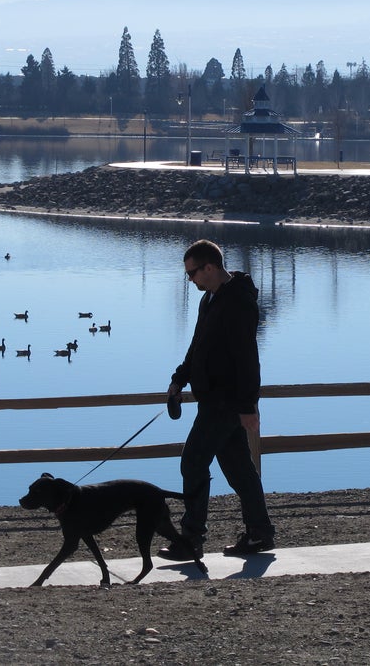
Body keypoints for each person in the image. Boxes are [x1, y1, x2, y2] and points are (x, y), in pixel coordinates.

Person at [158, 239, 276, 560]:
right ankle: (260, 534)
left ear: (209, 267)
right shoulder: (210, 298)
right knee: (239, 470)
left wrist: (249, 406)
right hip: (213, 400)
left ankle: (192, 539)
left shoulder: (237, 301)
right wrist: (179, 379)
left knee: (193, 462)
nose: (190, 280)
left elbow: (247, 357)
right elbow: (198, 346)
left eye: (192, 273)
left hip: (226, 401)